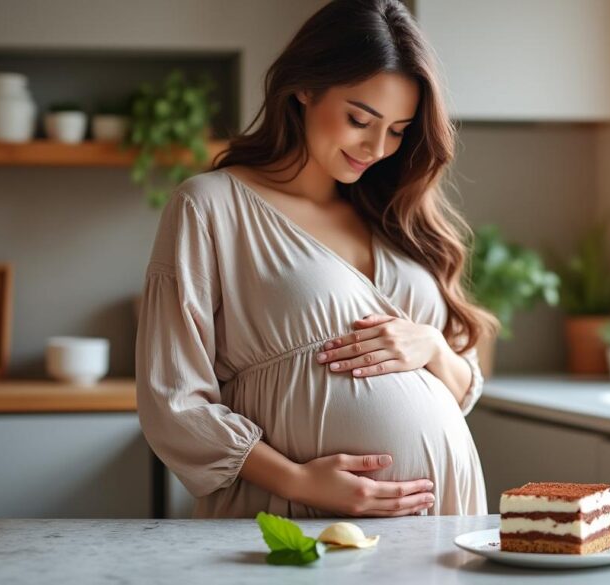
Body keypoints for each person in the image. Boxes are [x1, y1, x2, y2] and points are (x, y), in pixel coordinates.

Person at [135, 0, 497, 519]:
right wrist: (299, 481)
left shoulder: (397, 218)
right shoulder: (211, 206)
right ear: (304, 87)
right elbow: (173, 401)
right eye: (359, 119)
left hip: (443, 516)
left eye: (398, 130)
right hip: (293, 510)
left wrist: (435, 349)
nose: (377, 147)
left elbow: (462, 390)